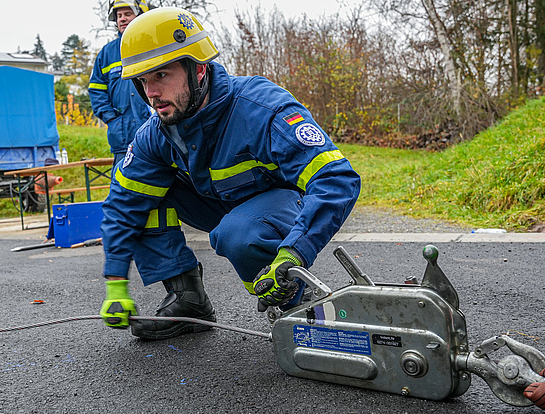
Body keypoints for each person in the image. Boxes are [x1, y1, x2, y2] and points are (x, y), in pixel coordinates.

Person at [98, 7, 361, 340]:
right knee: (139, 192)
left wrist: (297, 249)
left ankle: (296, 300)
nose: (150, 93)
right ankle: (187, 299)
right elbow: (123, 206)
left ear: (199, 69)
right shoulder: (156, 133)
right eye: (143, 81)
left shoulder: (261, 108)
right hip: (217, 206)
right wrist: (115, 283)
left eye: (161, 75)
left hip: (276, 209)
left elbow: (336, 178)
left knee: (236, 232)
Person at [88, 0, 153, 166]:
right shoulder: (107, 53)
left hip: (157, 133)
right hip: (122, 138)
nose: (122, 19)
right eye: (119, 15)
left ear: (141, 15)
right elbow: (96, 90)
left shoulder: (155, 43)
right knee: (123, 187)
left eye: (127, 14)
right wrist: (111, 119)